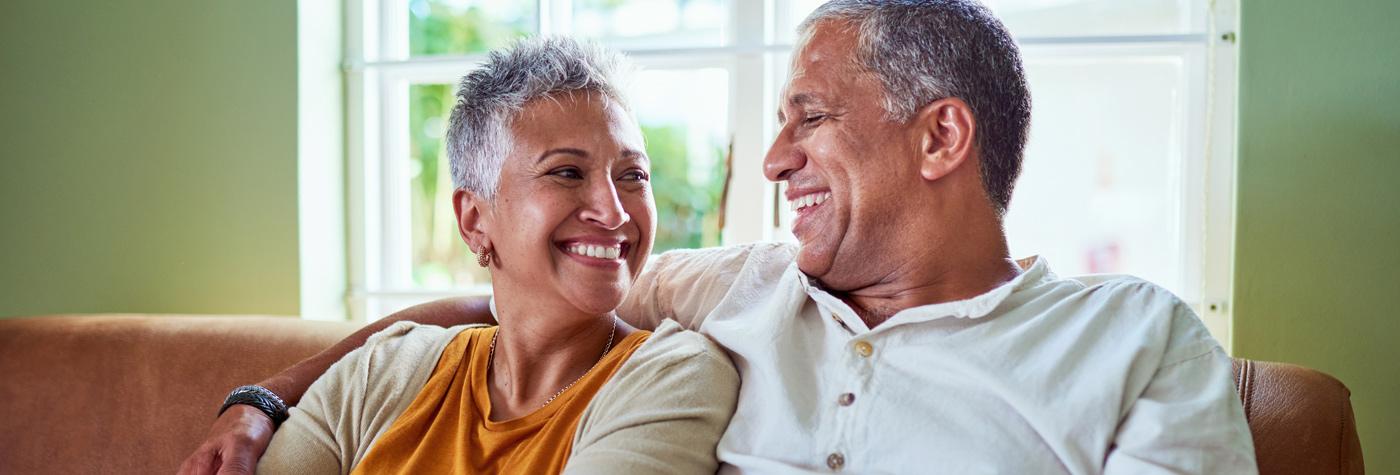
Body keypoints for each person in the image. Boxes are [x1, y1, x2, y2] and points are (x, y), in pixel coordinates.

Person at [184, 1, 1257, 473]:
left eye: (809, 116)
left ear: (940, 135)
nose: (773, 158)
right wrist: (268, 394)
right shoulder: (740, 289)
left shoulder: (1134, 342)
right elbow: (513, 301)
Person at [193, 37, 740, 474]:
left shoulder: (676, 376)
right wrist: (257, 399)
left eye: (633, 175)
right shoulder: (380, 372)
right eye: (567, 172)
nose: (614, 210)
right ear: (474, 220)